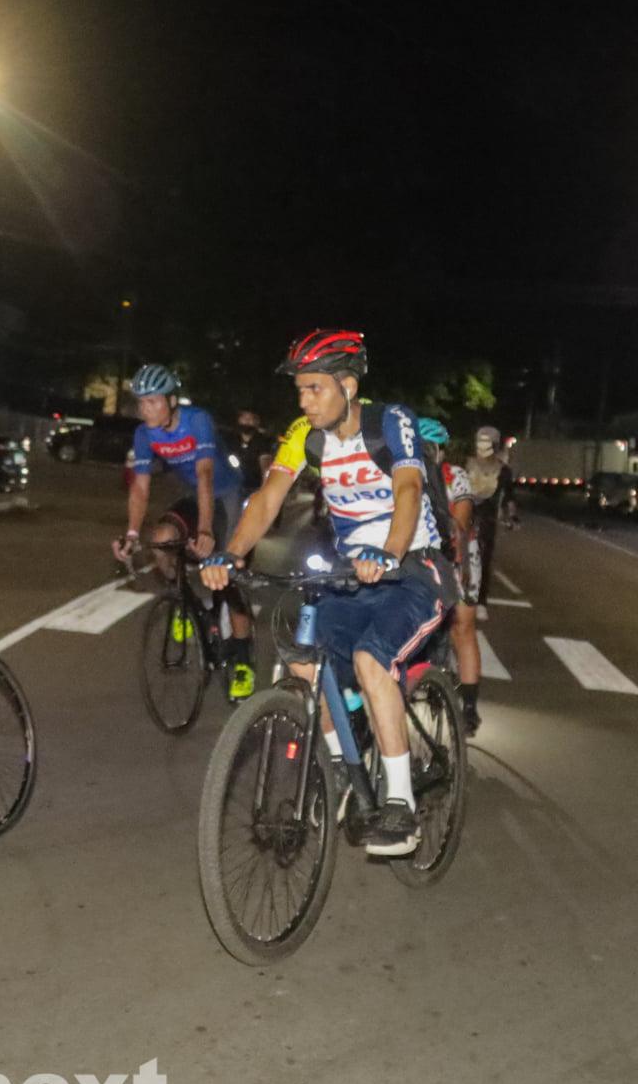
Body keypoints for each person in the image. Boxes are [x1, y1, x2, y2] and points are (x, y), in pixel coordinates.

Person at [203, 329, 454, 856]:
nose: (304, 401)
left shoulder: (391, 421)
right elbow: (268, 498)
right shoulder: (304, 434)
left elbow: (408, 488)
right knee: (302, 659)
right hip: (353, 572)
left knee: (370, 659)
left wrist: (390, 552)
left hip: (413, 568)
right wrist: (232, 552)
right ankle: (341, 764)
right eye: (299, 389)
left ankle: (401, 806)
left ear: (348, 385)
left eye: (314, 388)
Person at [110, 364, 255, 701]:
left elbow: (205, 475)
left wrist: (205, 530)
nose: (145, 410)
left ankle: (244, 660)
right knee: (161, 539)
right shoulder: (145, 434)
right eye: (141, 403)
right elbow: (140, 488)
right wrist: (131, 534)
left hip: (226, 495)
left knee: (227, 576)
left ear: (172, 401)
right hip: (194, 496)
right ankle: (185, 603)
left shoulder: (197, 420)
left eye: (153, 402)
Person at [428, 429, 484, 736]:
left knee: (462, 625)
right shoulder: (405, 471)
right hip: (423, 555)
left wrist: (457, 563)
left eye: (431, 447)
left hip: (459, 553)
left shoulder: (455, 476)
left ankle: (470, 707)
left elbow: (460, 524)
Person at [460, 426, 515, 609]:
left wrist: (512, 516)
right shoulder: (466, 465)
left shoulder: (503, 470)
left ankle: (480, 599)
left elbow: (508, 497)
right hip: (464, 514)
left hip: (487, 518)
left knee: (484, 558)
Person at [232, 409, 272, 493]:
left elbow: (265, 465)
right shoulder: (231, 439)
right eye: (244, 417)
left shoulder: (262, 441)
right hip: (233, 486)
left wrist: (264, 489)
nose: (247, 421)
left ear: (256, 422)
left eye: (250, 418)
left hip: (255, 487)